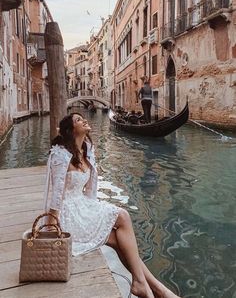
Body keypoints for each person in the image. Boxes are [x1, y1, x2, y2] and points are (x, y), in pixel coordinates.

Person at [43, 113, 180, 298]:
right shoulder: (61, 154)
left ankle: (152, 288)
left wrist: (94, 211)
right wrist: (52, 224)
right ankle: (152, 288)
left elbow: (90, 190)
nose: (83, 120)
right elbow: (57, 193)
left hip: (83, 207)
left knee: (118, 240)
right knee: (122, 216)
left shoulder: (86, 149)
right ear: (70, 130)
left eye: (82, 118)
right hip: (68, 213)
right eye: (77, 120)